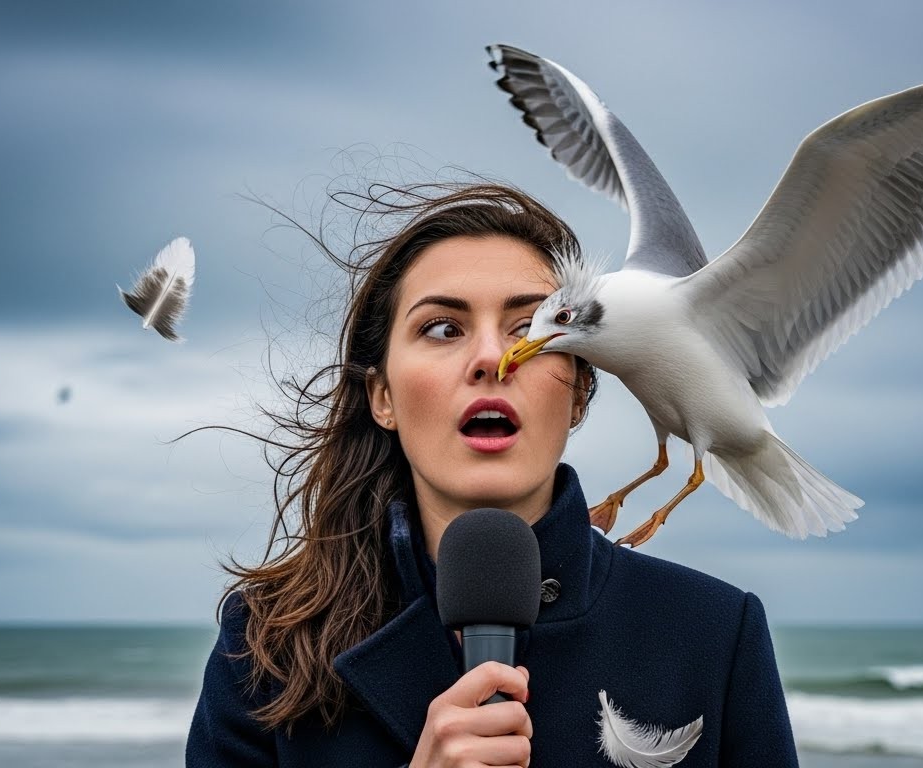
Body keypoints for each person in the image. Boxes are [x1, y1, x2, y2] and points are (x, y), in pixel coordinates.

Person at [185, 182, 799, 766]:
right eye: (443, 328)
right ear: (383, 398)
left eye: (527, 326)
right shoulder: (265, 644)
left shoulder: (714, 633)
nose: (491, 359)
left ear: (581, 388)